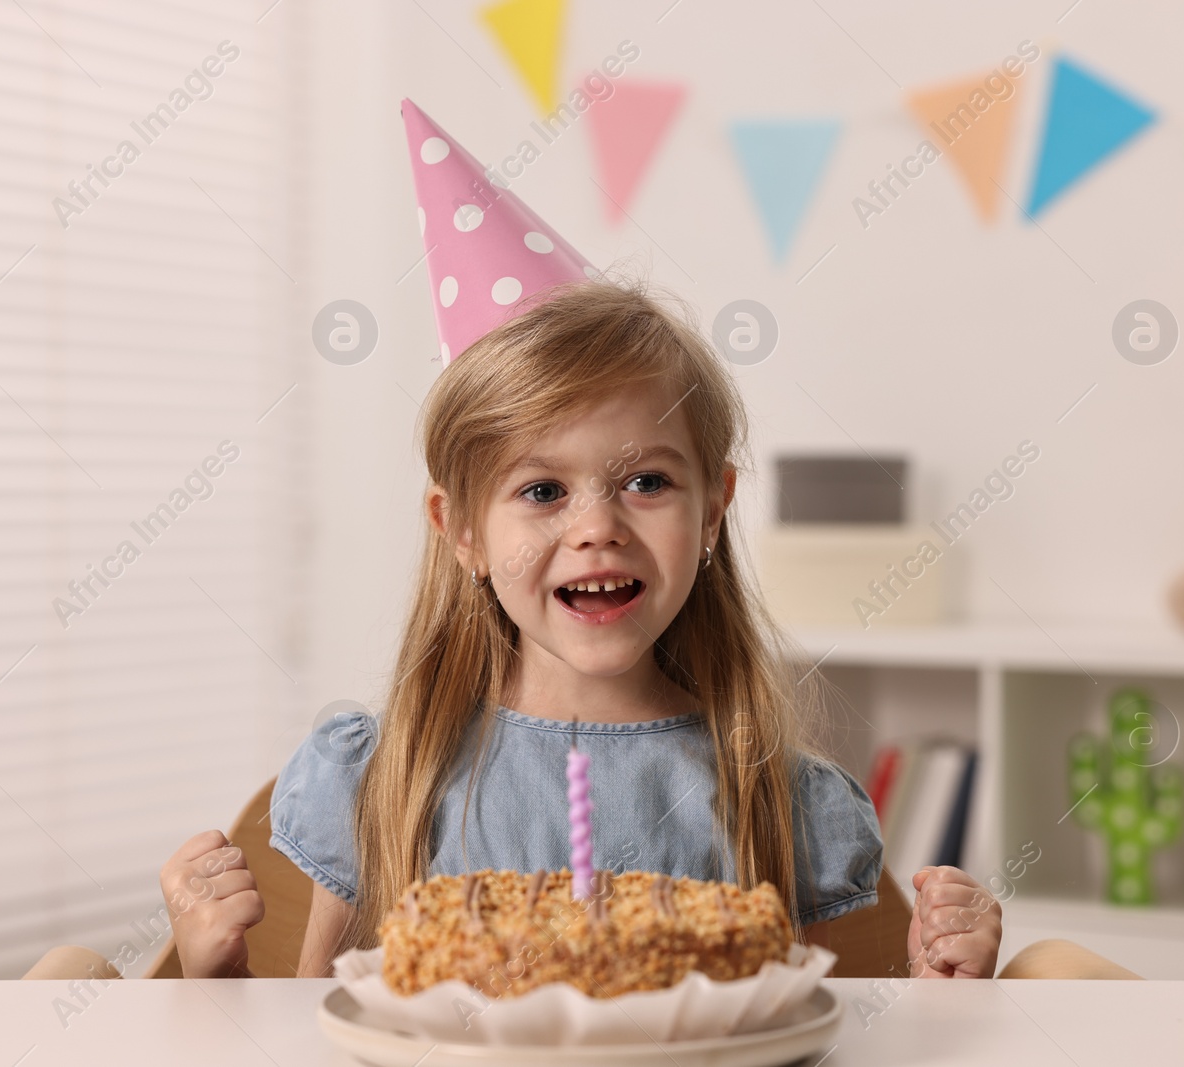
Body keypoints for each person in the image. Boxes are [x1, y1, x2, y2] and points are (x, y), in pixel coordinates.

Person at [157, 99, 1002, 985]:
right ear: (465, 533)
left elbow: (817, 1031)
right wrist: (211, 971)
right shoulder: (390, 777)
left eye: (646, 482)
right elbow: (323, 1027)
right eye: (543, 490)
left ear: (713, 511)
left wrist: (941, 990)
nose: (596, 526)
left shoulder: (772, 795)